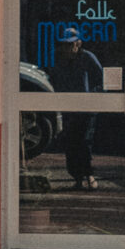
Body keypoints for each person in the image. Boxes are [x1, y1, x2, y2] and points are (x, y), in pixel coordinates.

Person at [51, 23, 105, 191]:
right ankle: (77, 177)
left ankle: (88, 175)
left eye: (71, 43)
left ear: (78, 43)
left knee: (85, 141)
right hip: (69, 107)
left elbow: (101, 78)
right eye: (65, 44)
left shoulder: (88, 57)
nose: (68, 47)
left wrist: (95, 97)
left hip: (87, 108)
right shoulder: (60, 60)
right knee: (71, 143)